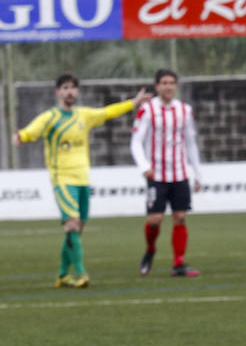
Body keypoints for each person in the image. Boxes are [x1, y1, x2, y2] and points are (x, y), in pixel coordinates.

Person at [17, 74, 149, 288]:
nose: (70, 92)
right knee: (72, 224)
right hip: (62, 178)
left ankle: (62, 275)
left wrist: (133, 103)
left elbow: (107, 112)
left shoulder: (83, 116)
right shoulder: (50, 117)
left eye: (73, 88)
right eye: (65, 88)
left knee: (78, 228)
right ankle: (81, 273)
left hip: (82, 178)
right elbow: (33, 130)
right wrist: (21, 136)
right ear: (57, 92)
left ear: (77, 92)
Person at [131, 68, 203, 278]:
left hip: (180, 173)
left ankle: (178, 264)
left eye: (172, 82)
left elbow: (190, 144)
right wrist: (144, 166)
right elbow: (136, 142)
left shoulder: (185, 110)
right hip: (157, 175)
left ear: (176, 86)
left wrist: (198, 174)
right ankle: (150, 250)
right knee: (155, 220)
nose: (168, 86)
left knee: (180, 217)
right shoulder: (147, 110)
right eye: (164, 82)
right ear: (157, 86)